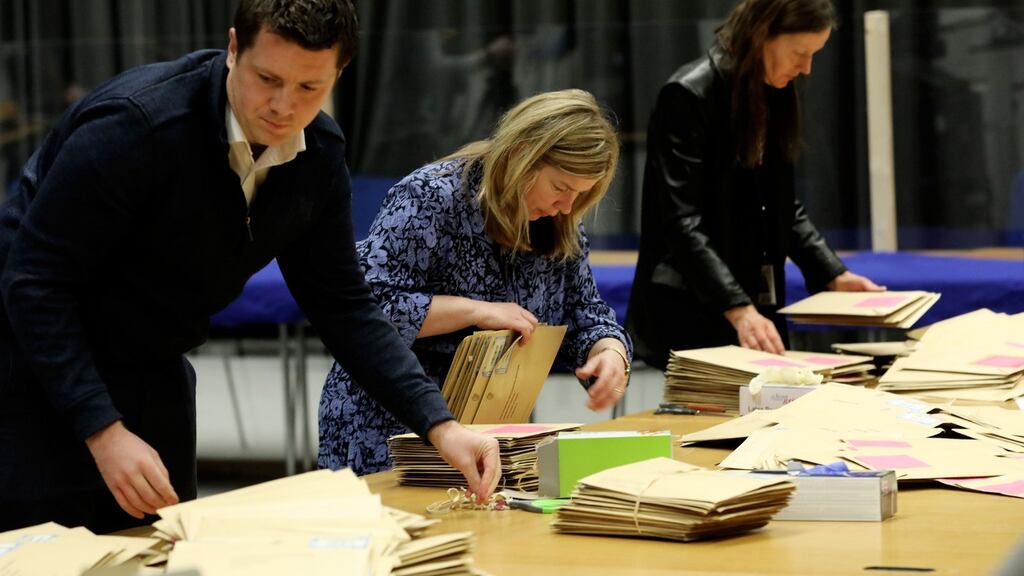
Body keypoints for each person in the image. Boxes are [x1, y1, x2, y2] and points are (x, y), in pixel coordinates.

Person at [0, 0, 499, 534]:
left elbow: (344, 306)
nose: (283, 106)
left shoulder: (319, 155)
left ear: (339, 73)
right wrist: (102, 429)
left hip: (153, 364)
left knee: (159, 547)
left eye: (309, 88)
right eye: (267, 79)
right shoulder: (136, 126)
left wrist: (441, 425)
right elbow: (34, 283)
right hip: (34, 362)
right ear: (234, 48)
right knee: (43, 552)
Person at [319, 89, 632, 475]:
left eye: (581, 195)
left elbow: (584, 312)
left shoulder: (558, 221)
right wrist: (477, 312)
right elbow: (368, 310)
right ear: (522, 154)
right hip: (389, 431)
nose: (566, 207)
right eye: (561, 188)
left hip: (492, 432)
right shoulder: (430, 198)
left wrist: (609, 350)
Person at [626, 0, 883, 370]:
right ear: (763, 35)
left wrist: (833, 274)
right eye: (800, 53)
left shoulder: (772, 88)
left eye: (814, 55)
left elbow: (782, 204)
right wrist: (737, 306)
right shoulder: (687, 94)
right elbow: (680, 222)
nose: (806, 67)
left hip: (753, 298)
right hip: (695, 303)